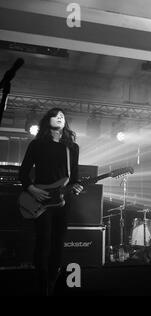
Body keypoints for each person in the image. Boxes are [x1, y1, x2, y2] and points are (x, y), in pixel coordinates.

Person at [19, 108, 83, 295]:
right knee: (43, 242)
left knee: (58, 243)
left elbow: (74, 178)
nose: (60, 117)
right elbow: (23, 173)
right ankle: (41, 285)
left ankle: (52, 285)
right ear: (48, 120)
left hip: (63, 201)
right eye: (56, 115)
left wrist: (77, 187)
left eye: (62, 116)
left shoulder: (72, 147)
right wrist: (32, 189)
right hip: (41, 199)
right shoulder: (37, 144)